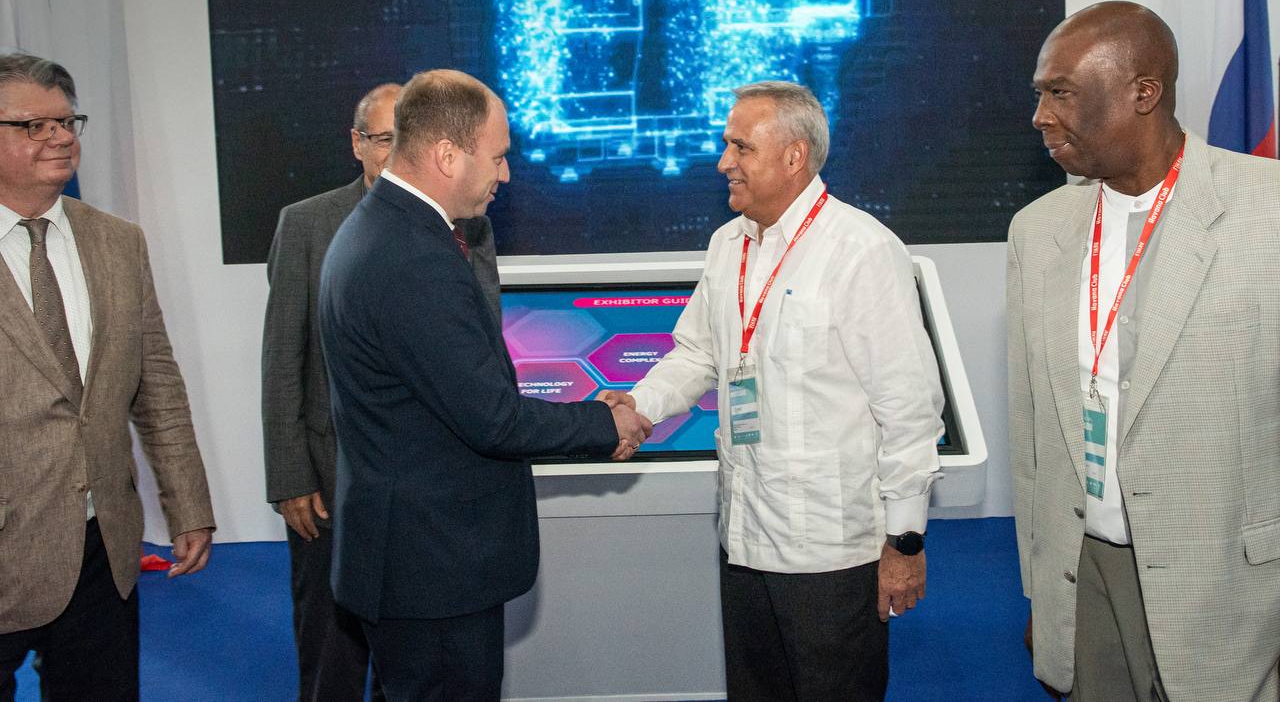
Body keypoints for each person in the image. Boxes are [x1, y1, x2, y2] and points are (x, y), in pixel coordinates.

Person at [317, 69, 652, 701]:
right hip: (433, 569)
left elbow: (453, 392)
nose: (507, 175)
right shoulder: (411, 256)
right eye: (497, 157)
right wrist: (603, 423)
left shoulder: (383, 228)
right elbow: (491, 418)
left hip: (414, 560)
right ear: (448, 155)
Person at [608, 81, 944, 701]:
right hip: (743, 539)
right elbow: (698, 354)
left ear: (794, 156)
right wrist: (638, 406)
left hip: (831, 555)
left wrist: (904, 541)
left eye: (741, 147)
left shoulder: (862, 250)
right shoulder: (727, 244)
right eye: (726, 145)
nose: (723, 162)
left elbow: (910, 409)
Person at [1008, 1, 1280, 701]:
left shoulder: (1268, 211)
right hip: (1085, 573)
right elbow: (1032, 430)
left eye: (1060, 92)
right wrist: (1043, 591)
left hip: (1232, 588)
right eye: (1040, 94)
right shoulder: (1037, 230)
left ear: (1144, 93)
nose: (1040, 116)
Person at [261, 82, 507, 701]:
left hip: (428, 493)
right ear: (357, 144)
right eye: (382, 138)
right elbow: (282, 358)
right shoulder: (309, 224)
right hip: (329, 481)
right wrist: (290, 476)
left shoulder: (469, 227)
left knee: (406, 664)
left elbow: (477, 345)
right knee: (332, 652)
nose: (396, 149)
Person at [0, 52, 216, 700]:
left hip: (102, 547)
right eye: (34, 125)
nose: (59, 137)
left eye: (67, 122)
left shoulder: (119, 242)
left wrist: (188, 505)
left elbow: (158, 387)